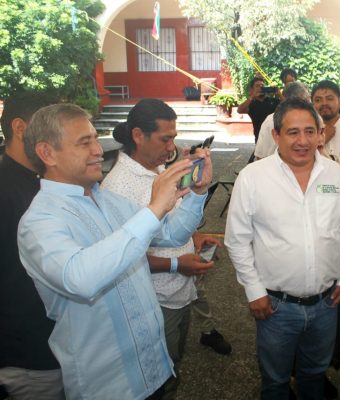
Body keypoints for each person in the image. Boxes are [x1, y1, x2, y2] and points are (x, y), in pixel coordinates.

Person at [18, 103, 212, 399]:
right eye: (85, 142)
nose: (98, 150)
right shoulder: (39, 221)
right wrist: (155, 208)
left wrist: (197, 193)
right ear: (47, 153)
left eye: (96, 139)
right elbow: (80, 279)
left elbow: (171, 235)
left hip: (153, 369)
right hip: (110, 386)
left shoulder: (108, 201)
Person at [225, 98, 340, 399]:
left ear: (320, 134)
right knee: (275, 380)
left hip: (326, 304)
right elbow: (237, 240)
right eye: (293, 132)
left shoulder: (335, 174)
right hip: (276, 307)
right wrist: (254, 291)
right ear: (276, 135)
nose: (302, 141)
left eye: (310, 131)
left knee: (314, 375)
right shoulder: (253, 178)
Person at [101, 99, 230, 398]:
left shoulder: (155, 168)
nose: (172, 146)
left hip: (178, 290)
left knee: (173, 358)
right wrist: (199, 193)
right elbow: (161, 239)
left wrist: (194, 235)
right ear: (138, 135)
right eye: (165, 139)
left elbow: (174, 219)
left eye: (174, 137)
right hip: (156, 298)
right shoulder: (120, 187)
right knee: (161, 373)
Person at [0, 93, 64, 399]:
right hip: (29, 354)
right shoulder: (6, 189)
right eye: (50, 130)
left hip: (55, 342)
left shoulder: (41, 181)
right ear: (20, 128)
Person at [254, 81, 311, 160]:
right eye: (308, 99)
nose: (310, 103)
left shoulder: (270, 119)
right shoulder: (270, 121)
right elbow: (259, 156)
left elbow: (259, 155)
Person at [237, 76, 281, 144]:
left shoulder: (273, 101)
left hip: (275, 138)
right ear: (252, 89)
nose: (260, 88)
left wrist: (280, 95)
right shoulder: (251, 104)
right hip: (260, 138)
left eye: (262, 86)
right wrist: (252, 96)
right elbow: (239, 110)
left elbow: (289, 106)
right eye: (257, 86)